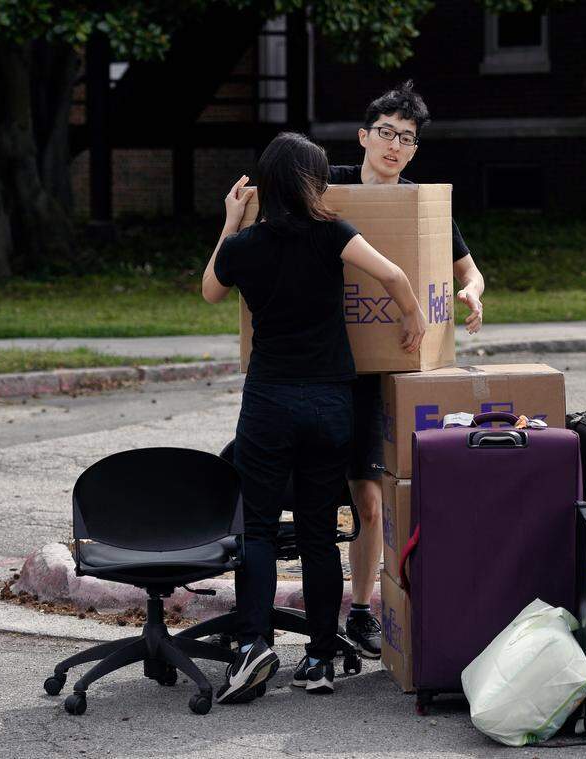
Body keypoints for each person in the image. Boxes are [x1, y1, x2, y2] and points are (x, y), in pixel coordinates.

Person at [201, 133, 427, 703]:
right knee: (320, 533)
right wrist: (411, 321)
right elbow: (396, 276)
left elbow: (209, 292)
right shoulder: (335, 235)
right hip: (330, 402)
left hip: (269, 401)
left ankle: (254, 645)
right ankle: (322, 656)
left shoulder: (245, 246)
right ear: (312, 183)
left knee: (256, 530)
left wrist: (230, 220)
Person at [327, 81, 486, 658]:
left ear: (415, 151)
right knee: (323, 495)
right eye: (387, 134)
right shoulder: (330, 188)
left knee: (370, 499)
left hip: (388, 374)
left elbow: (469, 271)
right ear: (365, 136)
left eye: (408, 139)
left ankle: (363, 609)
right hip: (323, 366)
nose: (395, 146)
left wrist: (471, 294)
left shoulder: (422, 204)